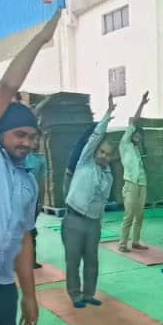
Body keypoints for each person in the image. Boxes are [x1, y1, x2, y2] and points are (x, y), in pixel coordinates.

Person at [0, 10, 61, 325]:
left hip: (1, 288)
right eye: (20, 134)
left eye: (33, 137)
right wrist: (40, 39)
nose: (27, 142)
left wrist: (29, 295)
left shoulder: (25, 182)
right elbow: (7, 86)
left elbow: (22, 238)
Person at [61, 95, 117, 309]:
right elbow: (95, 137)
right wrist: (107, 115)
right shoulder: (85, 161)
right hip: (74, 219)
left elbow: (102, 201)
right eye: (101, 152)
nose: (103, 156)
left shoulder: (108, 176)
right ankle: (75, 295)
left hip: (93, 223)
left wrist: (98, 222)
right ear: (95, 151)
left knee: (92, 261)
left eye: (108, 154)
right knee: (73, 260)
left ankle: (89, 293)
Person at [118, 91, 150, 252]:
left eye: (140, 135)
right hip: (131, 184)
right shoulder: (125, 144)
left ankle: (135, 241)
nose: (138, 136)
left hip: (142, 183)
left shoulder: (137, 150)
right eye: (136, 133)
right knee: (129, 215)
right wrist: (142, 104)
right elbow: (134, 121)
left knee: (140, 215)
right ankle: (122, 244)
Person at [24, 136, 47, 269]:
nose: (36, 142)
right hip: (21, 200)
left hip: (34, 201)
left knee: (31, 230)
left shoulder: (41, 159)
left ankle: (31, 260)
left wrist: (41, 201)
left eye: (38, 139)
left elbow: (42, 182)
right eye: (34, 139)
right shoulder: (22, 156)